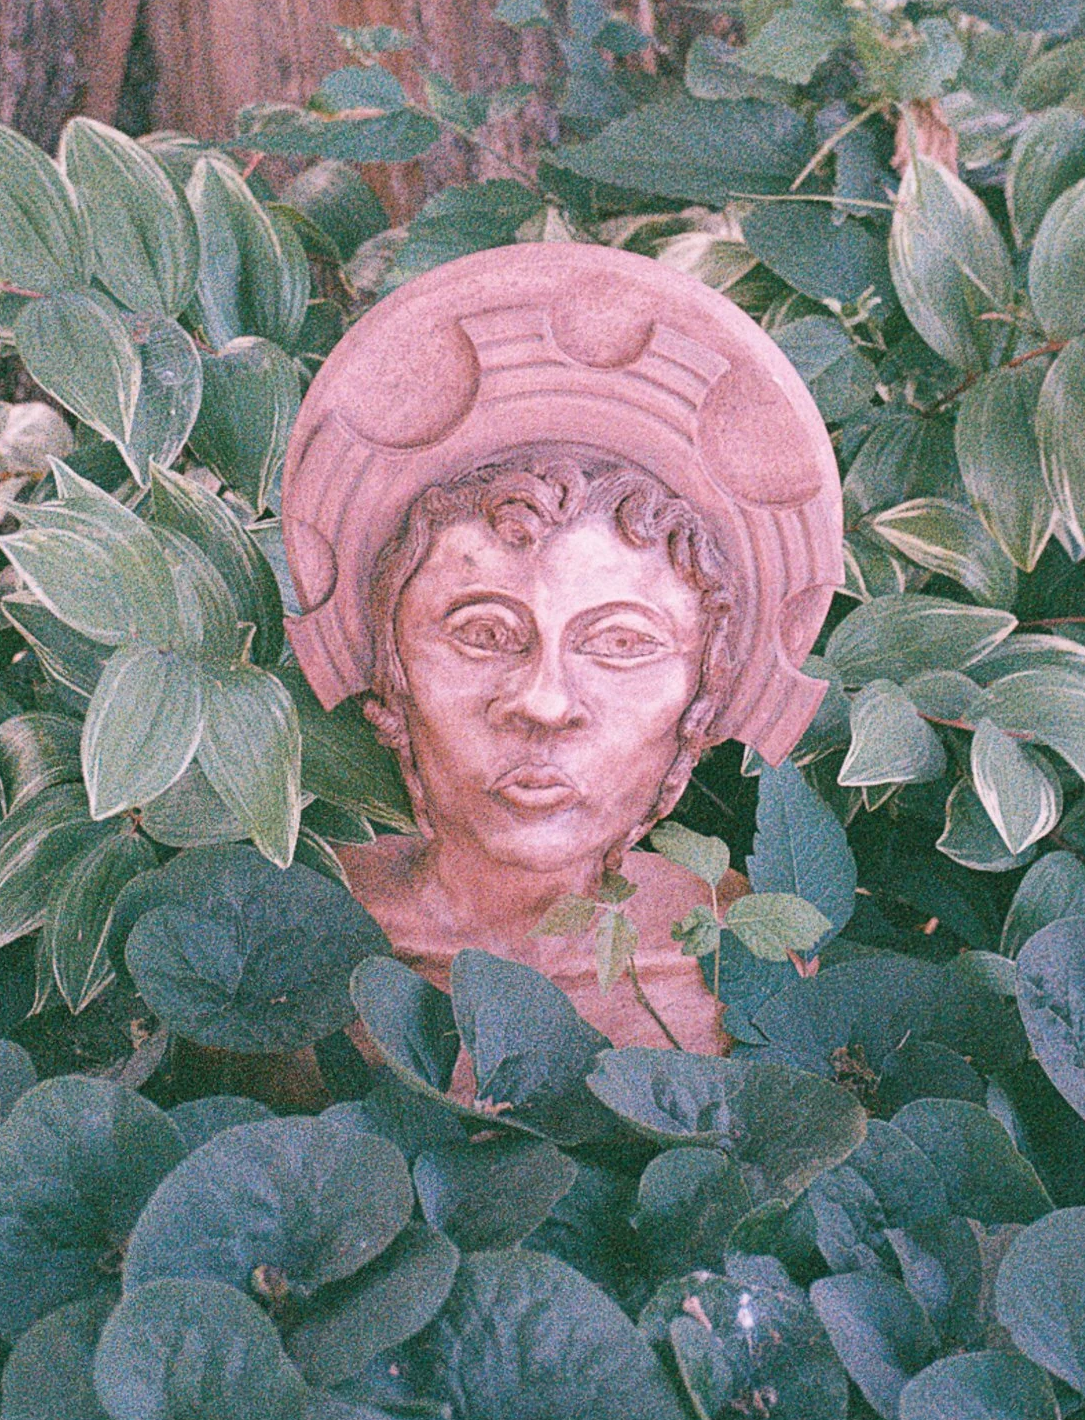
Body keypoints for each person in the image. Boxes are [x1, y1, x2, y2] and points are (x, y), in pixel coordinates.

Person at [280, 242, 843, 1053]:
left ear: (704, 698)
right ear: (389, 678)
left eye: (620, 643)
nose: (544, 703)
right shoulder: (300, 956)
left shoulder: (737, 971)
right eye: (483, 633)